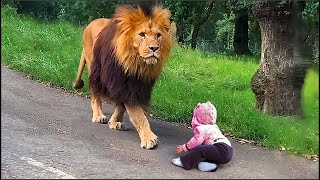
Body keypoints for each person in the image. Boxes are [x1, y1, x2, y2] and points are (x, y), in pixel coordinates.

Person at [171, 101, 233, 172]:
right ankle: (211, 164)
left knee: (200, 149)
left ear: (198, 117)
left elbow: (197, 140)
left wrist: (185, 147)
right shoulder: (213, 127)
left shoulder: (202, 128)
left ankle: (184, 162)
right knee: (207, 150)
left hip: (221, 148)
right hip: (228, 151)